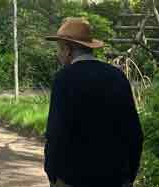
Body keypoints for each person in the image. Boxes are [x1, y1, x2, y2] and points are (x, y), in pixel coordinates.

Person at [43, 17, 143, 187]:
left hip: (74, 178)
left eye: (59, 49)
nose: (58, 54)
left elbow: (56, 134)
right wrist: (129, 176)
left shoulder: (64, 79)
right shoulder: (117, 76)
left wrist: (53, 175)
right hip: (115, 178)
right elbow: (134, 133)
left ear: (68, 50)